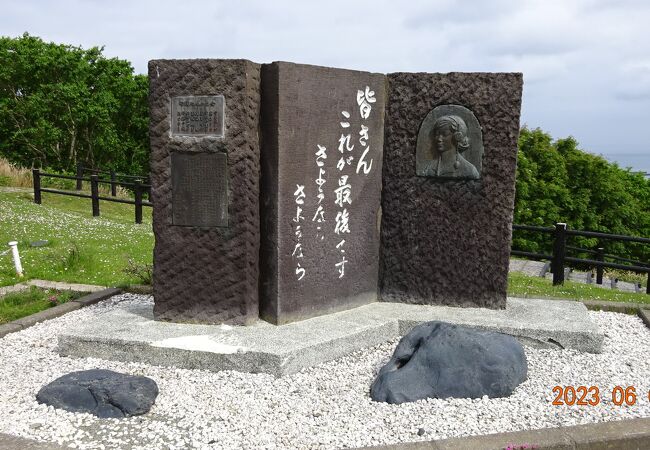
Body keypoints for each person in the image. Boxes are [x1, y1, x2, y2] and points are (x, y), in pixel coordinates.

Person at [423, 115, 479, 179]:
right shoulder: (430, 168)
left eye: (445, 134)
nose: (439, 139)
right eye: (437, 134)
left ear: (457, 137)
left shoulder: (469, 170)